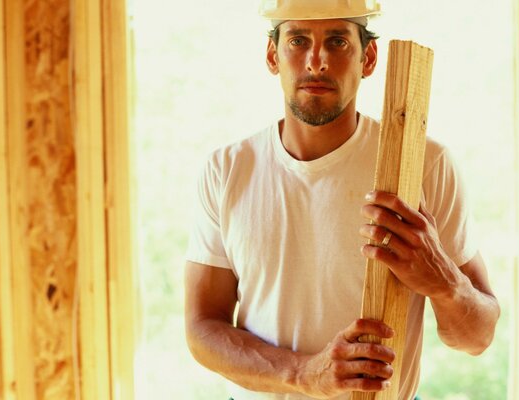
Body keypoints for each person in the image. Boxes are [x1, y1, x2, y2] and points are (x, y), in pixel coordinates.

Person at [183, 1, 500, 399]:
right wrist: (304, 374)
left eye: (337, 41)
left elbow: (478, 338)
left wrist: (446, 283)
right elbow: (201, 330)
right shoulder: (226, 170)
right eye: (298, 40)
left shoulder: (424, 163)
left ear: (368, 58)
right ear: (272, 56)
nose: (317, 61)